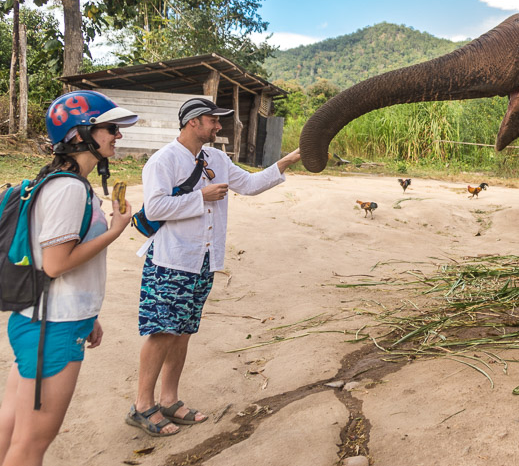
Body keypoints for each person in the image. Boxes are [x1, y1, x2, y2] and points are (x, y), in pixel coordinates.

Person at [127, 97, 301, 436]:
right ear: (193, 122)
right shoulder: (162, 161)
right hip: (170, 260)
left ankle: (169, 400)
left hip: (203, 260)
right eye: (213, 121)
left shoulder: (216, 158)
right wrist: (201, 197)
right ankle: (142, 405)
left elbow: (249, 185)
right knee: (162, 332)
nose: (218, 127)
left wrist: (289, 161)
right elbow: (156, 208)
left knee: (183, 332)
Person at [0, 90, 137, 466]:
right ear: (80, 134)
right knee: (30, 446)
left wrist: (88, 316)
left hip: (44, 321)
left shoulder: (66, 184)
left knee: (11, 431)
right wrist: (115, 231)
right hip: (52, 331)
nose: (117, 136)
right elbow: (56, 265)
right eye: (110, 128)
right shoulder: (68, 189)